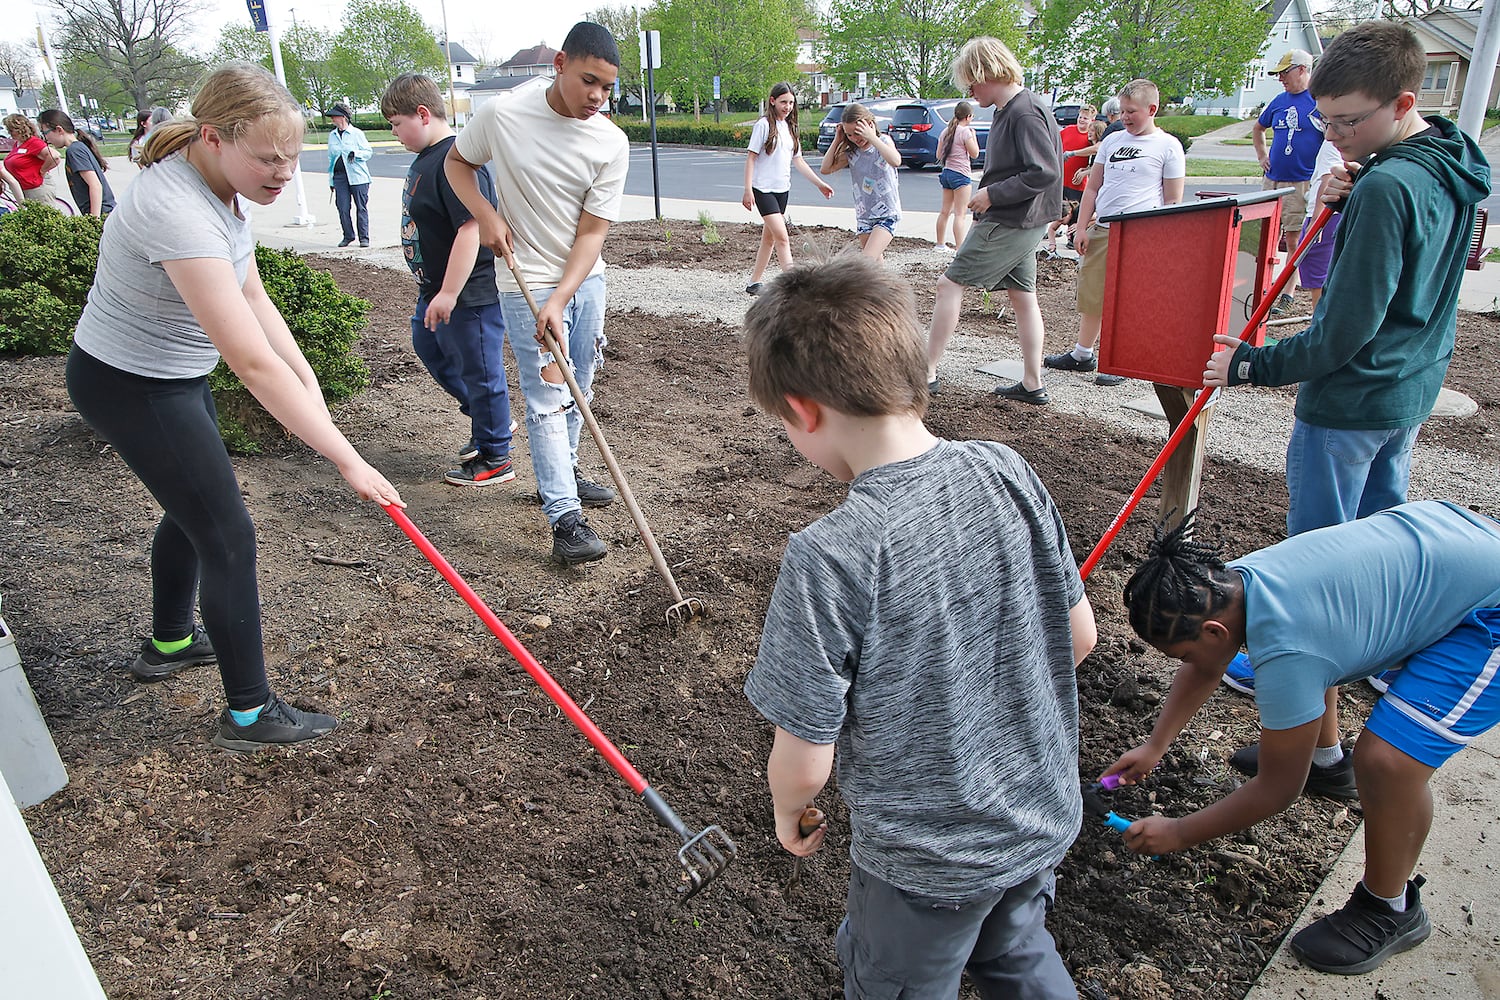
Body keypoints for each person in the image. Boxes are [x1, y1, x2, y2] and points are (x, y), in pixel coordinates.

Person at [742, 255, 1096, 1000]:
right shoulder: (1006, 470)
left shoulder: (831, 554)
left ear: (802, 412)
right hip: (1036, 814)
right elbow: (1079, 639)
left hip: (927, 862)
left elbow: (806, 756)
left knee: (897, 984)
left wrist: (788, 812)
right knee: (1016, 953)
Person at [63, 62, 403, 752]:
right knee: (227, 534)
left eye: (292, 157)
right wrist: (347, 459)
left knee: (193, 513)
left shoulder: (221, 187)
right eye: (269, 159)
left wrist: (307, 381)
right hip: (130, 383)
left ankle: (168, 644)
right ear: (215, 138)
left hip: (171, 377)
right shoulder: (175, 208)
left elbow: (253, 297)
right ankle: (249, 714)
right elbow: (248, 363)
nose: (284, 173)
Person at [1204, 22, 1490, 747]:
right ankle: (1379, 653)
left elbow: (1345, 330)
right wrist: (1347, 188)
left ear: (1399, 102)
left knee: (1317, 565)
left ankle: (1314, 725)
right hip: (1409, 387)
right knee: (1377, 545)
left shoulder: (1388, 185)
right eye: (1325, 120)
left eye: (1348, 122)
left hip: (1351, 397)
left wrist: (1250, 363)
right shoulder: (1446, 160)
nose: (1333, 136)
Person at [1105, 502, 1500, 976]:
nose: (1189, 660)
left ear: (1212, 629)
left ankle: (1388, 908)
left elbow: (1277, 789)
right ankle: (1326, 761)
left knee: (1387, 762)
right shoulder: (1235, 583)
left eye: (1184, 650)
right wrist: (1155, 746)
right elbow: (1208, 661)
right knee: (1322, 652)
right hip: (1453, 542)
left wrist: (1178, 831)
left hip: (1490, 612)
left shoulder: (1287, 650)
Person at [446, 21, 626, 566]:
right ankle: (565, 518)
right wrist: (487, 215)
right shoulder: (502, 115)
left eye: (608, 88)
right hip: (524, 281)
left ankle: (565, 468)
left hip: (583, 278)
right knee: (549, 397)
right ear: (561, 64)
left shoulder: (610, 142)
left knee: (581, 389)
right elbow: (458, 163)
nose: (597, 96)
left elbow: (593, 233)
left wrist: (563, 296)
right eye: (588, 80)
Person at [382, 73, 515, 488]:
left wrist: (450, 293)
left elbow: (471, 228)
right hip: (435, 290)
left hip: (468, 294)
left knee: (481, 370)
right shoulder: (429, 156)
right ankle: (486, 418)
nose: (393, 132)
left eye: (395, 123)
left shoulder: (454, 160)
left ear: (422, 114)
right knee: (429, 346)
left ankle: (496, 456)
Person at [925, 36, 1061, 405]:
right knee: (1023, 296)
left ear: (987, 71)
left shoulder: (1024, 111)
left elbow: (1045, 172)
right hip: (1023, 219)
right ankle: (1033, 383)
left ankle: (926, 373)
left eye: (971, 80)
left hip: (1012, 219)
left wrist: (991, 195)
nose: (969, 90)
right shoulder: (1012, 109)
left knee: (948, 285)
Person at [1044, 79, 1184, 387]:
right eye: (1122, 111)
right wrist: (1081, 227)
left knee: (1129, 299)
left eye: (1132, 111)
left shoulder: (1168, 146)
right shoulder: (1112, 141)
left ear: (1152, 109)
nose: (1125, 117)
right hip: (1104, 227)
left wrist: (1165, 241)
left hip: (1142, 232)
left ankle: (1122, 361)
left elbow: (1173, 199)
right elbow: (1093, 186)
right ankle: (1083, 354)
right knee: (1093, 292)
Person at [741, 82, 834, 294]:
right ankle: (792, 286)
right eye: (783, 102)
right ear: (772, 101)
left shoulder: (790, 128)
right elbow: (751, 158)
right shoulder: (763, 125)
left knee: (770, 238)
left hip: (782, 189)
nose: (788, 106)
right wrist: (747, 189)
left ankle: (754, 282)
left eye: (791, 102)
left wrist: (820, 184)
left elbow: (799, 161)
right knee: (782, 236)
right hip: (762, 189)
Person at [1254, 49, 1322, 315]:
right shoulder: (1279, 101)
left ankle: (1287, 293)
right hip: (1272, 180)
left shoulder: (1317, 101)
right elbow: (1259, 128)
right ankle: (1262, 288)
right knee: (1264, 238)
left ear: (1303, 70)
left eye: (1285, 72)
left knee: (1293, 239)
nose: (1281, 78)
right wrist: (1262, 155)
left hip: (1300, 182)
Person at [819, 102, 902, 260]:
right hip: (864, 215)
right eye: (849, 134)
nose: (855, 139)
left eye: (857, 133)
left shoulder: (883, 141)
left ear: (869, 125)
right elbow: (825, 168)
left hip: (887, 214)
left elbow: (896, 160)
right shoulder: (852, 152)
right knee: (875, 264)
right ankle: (884, 286)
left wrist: (872, 137)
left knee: (867, 260)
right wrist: (837, 139)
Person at [37, 110, 115, 216]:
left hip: (103, 213)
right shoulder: (78, 147)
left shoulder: (74, 151)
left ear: (59, 130)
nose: (46, 138)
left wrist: (94, 220)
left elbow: (95, 185)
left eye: (45, 132)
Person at [324, 102, 372, 247]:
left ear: (343, 117)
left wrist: (355, 154)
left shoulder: (356, 134)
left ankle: (364, 237)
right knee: (343, 207)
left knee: (361, 207)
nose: (332, 119)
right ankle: (348, 235)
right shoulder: (332, 135)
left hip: (358, 177)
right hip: (339, 177)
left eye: (334, 116)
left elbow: (368, 152)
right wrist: (331, 181)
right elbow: (330, 159)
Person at [934, 100, 979, 251]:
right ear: (968, 117)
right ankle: (959, 248)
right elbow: (975, 154)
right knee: (960, 214)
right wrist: (974, 137)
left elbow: (939, 154)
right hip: (961, 174)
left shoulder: (945, 131)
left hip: (947, 172)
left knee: (944, 211)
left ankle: (940, 244)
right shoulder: (966, 132)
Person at [1060, 103, 1096, 200]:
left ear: (1092, 120)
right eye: (1080, 117)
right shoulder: (1068, 130)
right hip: (1061, 180)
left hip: (1077, 183)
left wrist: (1086, 171)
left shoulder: (1091, 136)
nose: (1081, 120)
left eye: (1085, 118)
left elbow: (1096, 156)